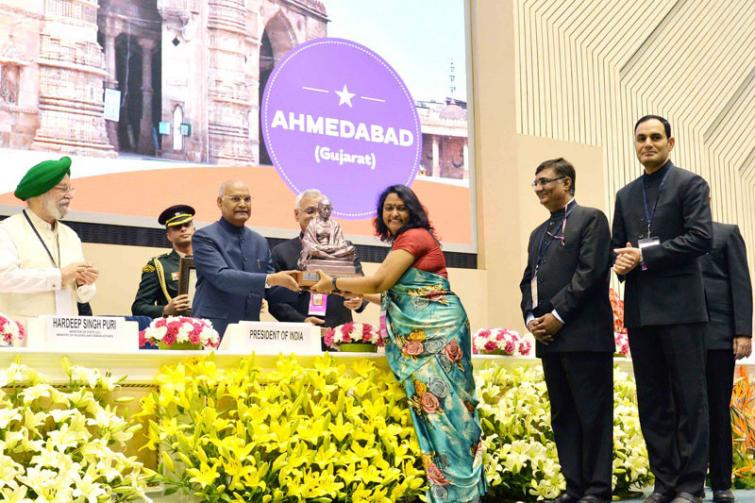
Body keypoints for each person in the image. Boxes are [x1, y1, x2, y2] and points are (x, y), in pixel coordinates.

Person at [311, 184, 487, 502]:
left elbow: (380, 281)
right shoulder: (405, 241)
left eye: (401, 207)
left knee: (446, 413)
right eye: (388, 208)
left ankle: (460, 495)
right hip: (432, 333)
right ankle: (456, 492)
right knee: (438, 413)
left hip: (438, 336)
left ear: (413, 212)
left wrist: (332, 282)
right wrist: (350, 292)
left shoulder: (414, 237)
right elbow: (400, 297)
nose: (394, 213)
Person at [612, 115, 712, 503]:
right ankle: (665, 481)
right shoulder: (625, 195)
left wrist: (645, 255)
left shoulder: (690, 184)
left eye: (656, 137)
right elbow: (619, 248)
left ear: (671, 143)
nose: (648, 144)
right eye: (641, 138)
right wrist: (621, 262)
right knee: (652, 401)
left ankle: (691, 485)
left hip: (683, 310)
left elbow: (700, 238)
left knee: (689, 400)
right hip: (641, 311)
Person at [520, 158, 614, 503]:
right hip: (550, 337)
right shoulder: (537, 234)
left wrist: (558, 314)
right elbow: (528, 281)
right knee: (563, 416)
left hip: (585, 336)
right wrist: (531, 317)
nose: (539, 188)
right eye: (536, 183)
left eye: (545, 181)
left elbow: (589, 275)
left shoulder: (591, 219)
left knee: (593, 415)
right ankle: (574, 487)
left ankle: (597, 489)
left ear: (567, 183)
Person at [191, 179, 300, 336]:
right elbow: (221, 277)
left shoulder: (260, 242)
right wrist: (271, 279)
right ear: (220, 202)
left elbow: (270, 289)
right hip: (213, 329)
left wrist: (303, 285)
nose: (243, 204)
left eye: (247, 199)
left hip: (249, 331)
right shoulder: (204, 237)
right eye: (236, 199)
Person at [0, 156, 98, 320]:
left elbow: (83, 297)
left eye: (71, 189)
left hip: (67, 330)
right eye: (63, 189)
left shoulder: (70, 235)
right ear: (40, 193)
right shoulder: (7, 230)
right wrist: (59, 276)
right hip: (24, 331)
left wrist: (84, 283)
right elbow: (5, 279)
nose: (70, 195)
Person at [700, 220, 752, 503]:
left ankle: (721, 482)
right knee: (685, 412)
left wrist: (743, 331)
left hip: (719, 335)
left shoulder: (726, 233)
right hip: (682, 337)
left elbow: (740, 282)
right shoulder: (673, 236)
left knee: (718, 410)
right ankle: (690, 482)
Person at [268, 189, 366, 329]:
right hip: (300, 334)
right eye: (310, 211)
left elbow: (362, 286)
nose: (316, 217)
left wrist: (359, 300)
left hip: (339, 333)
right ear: (297, 214)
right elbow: (276, 301)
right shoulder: (281, 252)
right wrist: (302, 322)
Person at [131, 204, 196, 318]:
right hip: (177, 326)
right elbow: (138, 307)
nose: (183, 229)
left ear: (194, 230)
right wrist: (166, 309)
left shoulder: (210, 260)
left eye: (187, 225)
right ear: (169, 236)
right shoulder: (158, 266)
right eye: (177, 227)